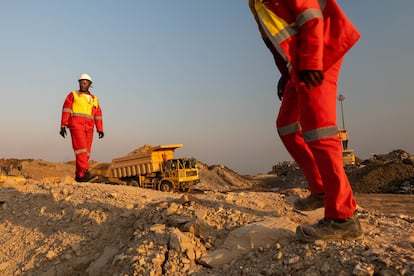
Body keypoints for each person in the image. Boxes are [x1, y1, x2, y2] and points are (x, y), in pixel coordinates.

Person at [249, 0, 363, 241]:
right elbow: (281, 39)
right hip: (298, 63)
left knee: (320, 132)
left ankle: (343, 217)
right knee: (287, 127)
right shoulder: (256, 3)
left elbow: (311, 16)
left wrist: (311, 62)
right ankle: (321, 190)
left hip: (320, 49)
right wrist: (286, 74)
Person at [60, 73, 104, 182]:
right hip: (76, 125)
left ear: (90, 84)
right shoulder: (73, 95)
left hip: (89, 128)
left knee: (86, 152)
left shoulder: (94, 99)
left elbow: (98, 114)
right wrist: (63, 124)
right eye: (80, 82)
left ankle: (80, 176)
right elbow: (66, 109)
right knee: (81, 150)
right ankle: (85, 172)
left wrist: (100, 129)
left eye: (85, 83)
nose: (82, 84)